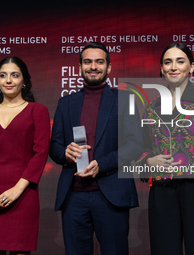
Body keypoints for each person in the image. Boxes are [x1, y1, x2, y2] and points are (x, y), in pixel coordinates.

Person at [136, 43, 194, 255]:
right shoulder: (152, 109)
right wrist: (148, 161)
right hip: (162, 192)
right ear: (161, 69)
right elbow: (142, 149)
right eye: (167, 62)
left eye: (180, 61)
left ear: (192, 67)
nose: (173, 67)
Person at [49, 42, 143, 255]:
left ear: (108, 68)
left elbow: (135, 144)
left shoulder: (125, 99)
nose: (93, 66)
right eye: (88, 62)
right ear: (80, 67)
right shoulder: (66, 103)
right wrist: (64, 153)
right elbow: (54, 146)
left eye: (99, 62)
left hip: (111, 194)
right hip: (73, 196)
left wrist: (102, 164)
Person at [0, 56, 50, 255]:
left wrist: (17, 190)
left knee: (19, 251)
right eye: (3, 75)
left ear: (24, 81)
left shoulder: (37, 111)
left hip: (23, 194)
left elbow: (40, 154)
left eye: (15, 75)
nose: (8, 80)